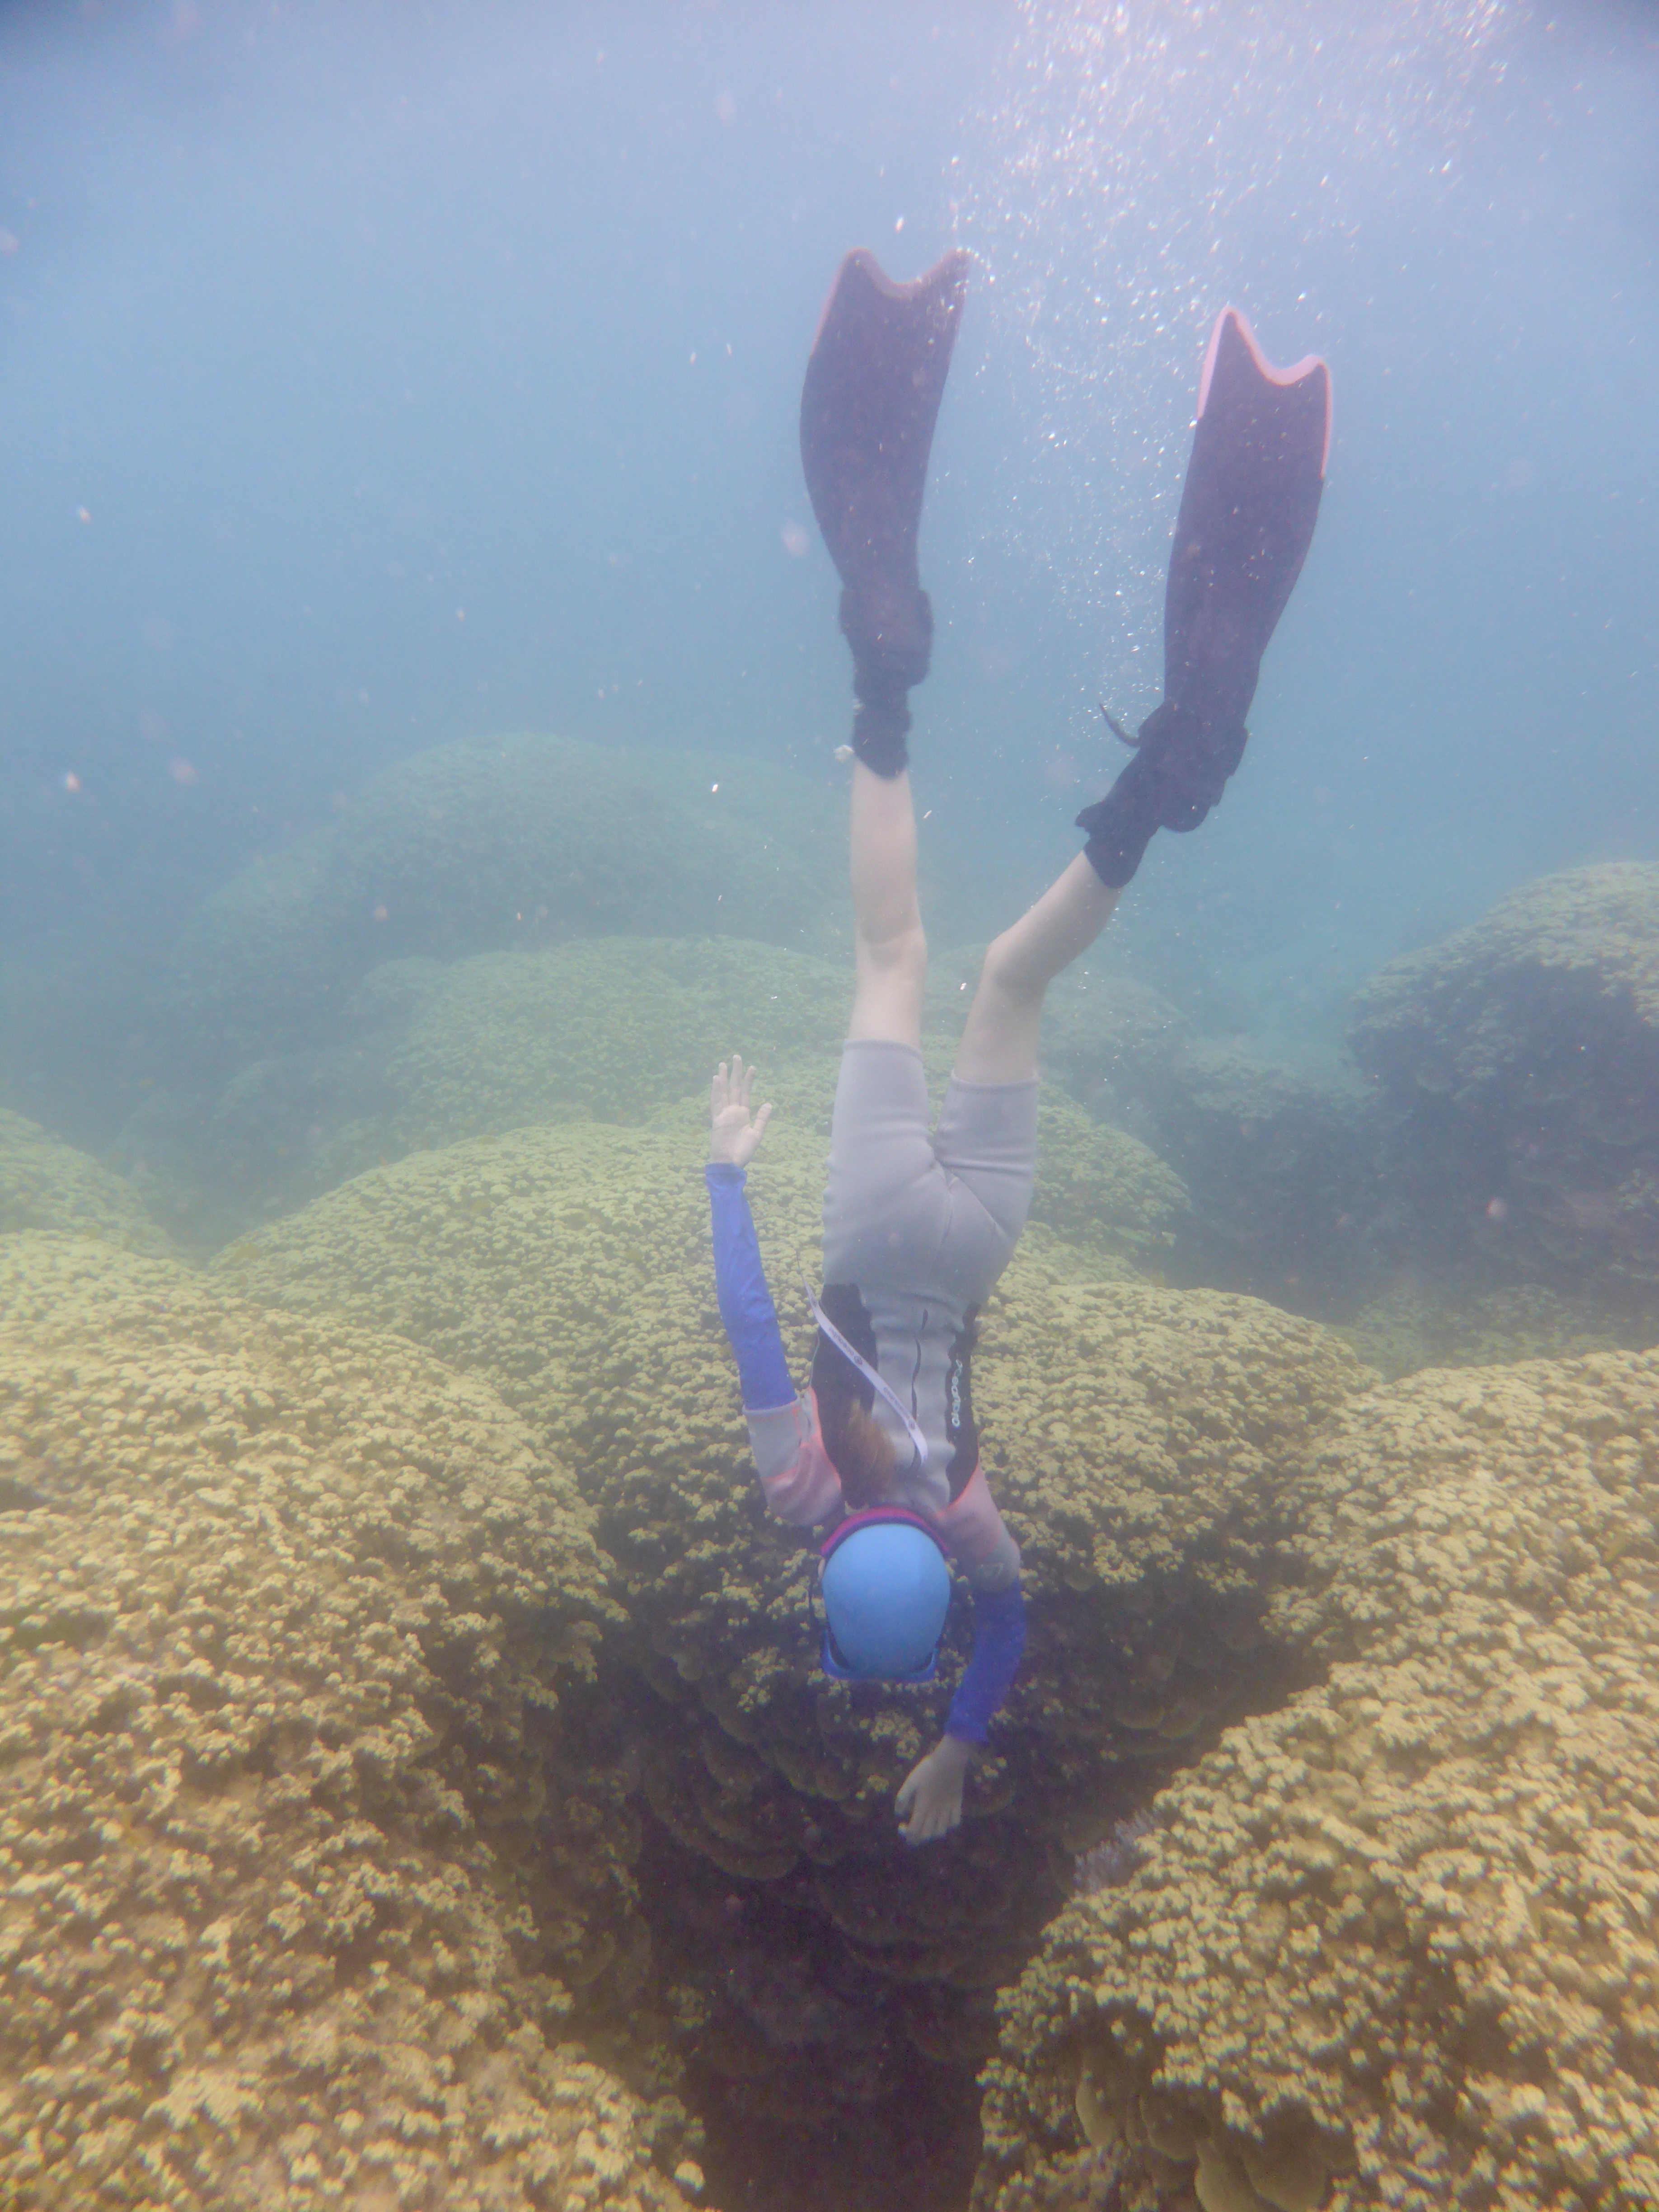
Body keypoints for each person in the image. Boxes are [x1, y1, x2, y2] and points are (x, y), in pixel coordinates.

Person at [705, 249, 1332, 1846]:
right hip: (859, 1215)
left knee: (1008, 980)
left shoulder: (976, 1528)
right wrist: (725, 1176)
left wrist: (966, 1749)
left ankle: (1158, 790)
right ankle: (884, 674)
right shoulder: (804, 1494)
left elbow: (1012, 1628)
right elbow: (758, 1338)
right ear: (844, 1581)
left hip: (979, 1237)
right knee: (896, 950)